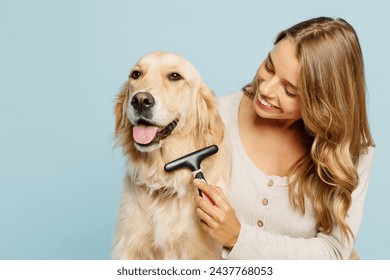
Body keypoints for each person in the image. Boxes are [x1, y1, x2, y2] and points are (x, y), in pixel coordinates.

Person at [194, 17, 375, 259]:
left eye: (289, 90)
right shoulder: (211, 120)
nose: (266, 89)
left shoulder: (351, 151)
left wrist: (238, 237)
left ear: (322, 103)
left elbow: (333, 253)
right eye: (269, 66)